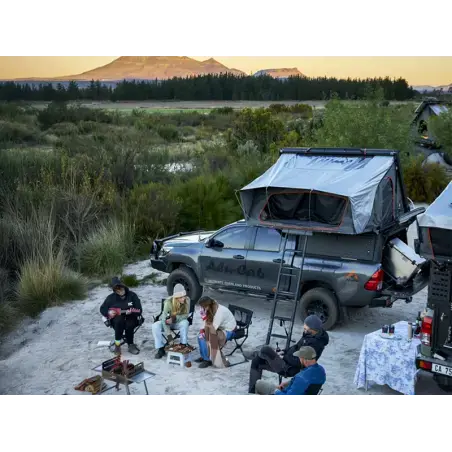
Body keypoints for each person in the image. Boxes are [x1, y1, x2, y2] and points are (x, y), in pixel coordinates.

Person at [248, 314, 329, 393]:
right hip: (287, 360)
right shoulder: (310, 334)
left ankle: (254, 353)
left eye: (306, 328)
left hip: (288, 368)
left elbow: (300, 362)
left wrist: (284, 357)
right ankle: (251, 393)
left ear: (313, 329)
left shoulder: (315, 344)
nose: (304, 329)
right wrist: (284, 351)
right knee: (256, 361)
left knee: (266, 350)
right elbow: (296, 347)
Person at [254, 346, 326, 397]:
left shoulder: (302, 377)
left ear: (305, 359)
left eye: (300, 358)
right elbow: (304, 383)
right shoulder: (321, 371)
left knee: (259, 384)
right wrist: (287, 383)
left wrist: (276, 392)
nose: (299, 359)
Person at [100, 277, 143, 355]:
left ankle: (131, 345)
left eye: (121, 288)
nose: (120, 291)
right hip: (117, 319)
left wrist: (132, 312)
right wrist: (109, 312)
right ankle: (117, 345)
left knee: (130, 324)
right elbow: (102, 309)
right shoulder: (111, 298)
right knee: (118, 322)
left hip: (131, 316)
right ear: (115, 291)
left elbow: (139, 310)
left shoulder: (132, 295)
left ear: (124, 287)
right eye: (117, 290)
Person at [196, 296, 237, 369]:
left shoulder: (220, 312)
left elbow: (214, 327)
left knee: (205, 337)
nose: (202, 308)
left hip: (229, 331)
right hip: (219, 328)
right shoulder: (211, 308)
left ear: (208, 305)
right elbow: (206, 321)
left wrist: (204, 331)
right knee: (200, 336)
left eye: (203, 307)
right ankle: (204, 356)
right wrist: (202, 329)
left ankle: (207, 360)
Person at [152, 283, 191, 359]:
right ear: (176, 298)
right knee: (155, 326)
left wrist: (174, 318)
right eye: (181, 297)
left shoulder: (187, 300)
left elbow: (185, 315)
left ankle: (183, 344)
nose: (183, 298)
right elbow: (163, 320)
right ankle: (160, 348)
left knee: (185, 323)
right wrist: (169, 337)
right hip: (167, 323)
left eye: (184, 296)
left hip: (178, 322)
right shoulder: (168, 302)